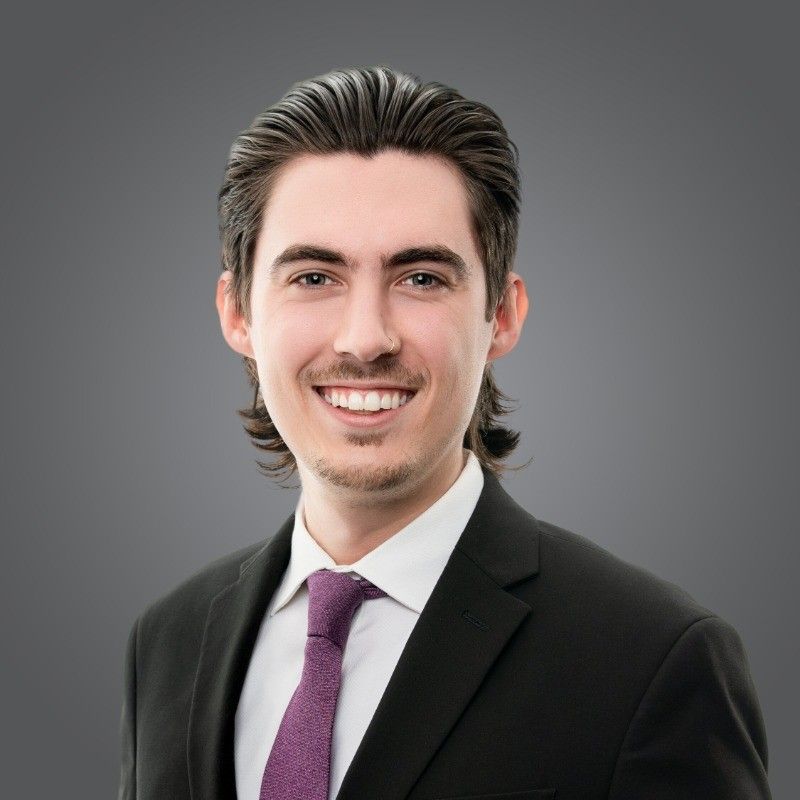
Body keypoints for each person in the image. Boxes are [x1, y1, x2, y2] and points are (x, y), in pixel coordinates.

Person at [117, 66, 771, 800]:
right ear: (237, 313)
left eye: (422, 277)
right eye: (313, 277)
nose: (365, 339)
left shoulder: (655, 661)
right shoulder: (168, 641)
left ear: (503, 314)